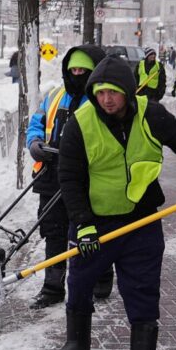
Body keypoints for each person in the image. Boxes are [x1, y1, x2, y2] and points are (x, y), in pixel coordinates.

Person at [56, 56, 176, 350]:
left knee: (143, 287)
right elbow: (70, 178)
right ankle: (77, 341)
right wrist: (83, 223)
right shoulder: (82, 122)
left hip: (141, 218)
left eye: (114, 92)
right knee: (80, 280)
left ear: (128, 92)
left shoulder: (151, 113)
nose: (107, 99)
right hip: (95, 221)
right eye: (101, 92)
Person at [26, 45, 113, 309]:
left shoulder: (100, 101)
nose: (77, 74)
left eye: (83, 71)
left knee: (89, 232)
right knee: (53, 231)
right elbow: (36, 122)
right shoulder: (54, 95)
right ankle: (52, 287)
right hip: (51, 174)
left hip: (85, 180)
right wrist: (35, 142)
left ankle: (101, 275)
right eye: (73, 69)